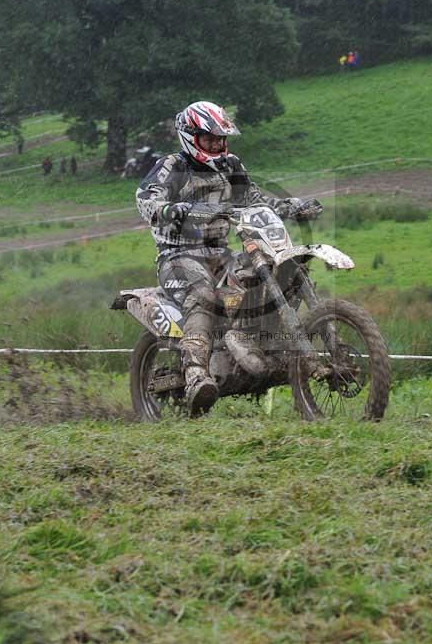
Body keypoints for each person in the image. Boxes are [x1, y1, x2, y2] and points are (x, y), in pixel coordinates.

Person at [136, 101, 323, 414]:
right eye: (211, 139)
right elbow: (147, 200)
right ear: (190, 137)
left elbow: (257, 200)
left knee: (272, 273)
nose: (218, 145)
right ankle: (195, 375)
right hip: (179, 255)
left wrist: (293, 206)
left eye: (222, 139)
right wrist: (172, 209)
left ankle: (266, 344)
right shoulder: (173, 166)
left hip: (222, 252)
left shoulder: (230, 165)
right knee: (203, 294)